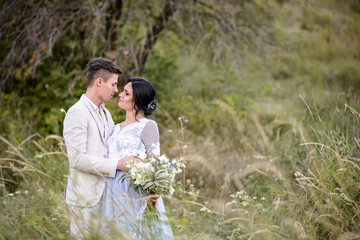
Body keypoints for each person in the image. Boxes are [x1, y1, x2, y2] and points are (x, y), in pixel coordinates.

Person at [63, 58, 139, 238]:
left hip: (107, 198)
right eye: (113, 84)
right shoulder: (77, 112)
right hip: (85, 198)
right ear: (99, 82)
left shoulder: (105, 113)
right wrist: (117, 165)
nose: (116, 90)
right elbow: (76, 159)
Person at [102, 77, 174, 239]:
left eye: (126, 93)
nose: (120, 94)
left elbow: (155, 163)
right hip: (110, 188)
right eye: (122, 91)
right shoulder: (114, 128)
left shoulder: (147, 126)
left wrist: (153, 193)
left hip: (132, 190)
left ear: (137, 101)